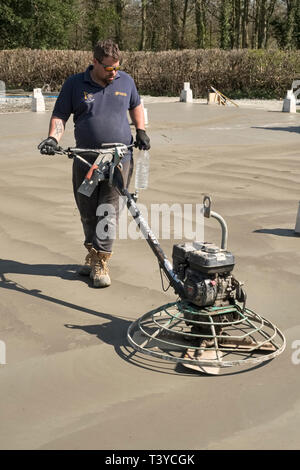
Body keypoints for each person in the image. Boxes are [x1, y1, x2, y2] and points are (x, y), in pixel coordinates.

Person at [38, 39, 150, 288]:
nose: (114, 73)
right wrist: (52, 138)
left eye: (116, 67)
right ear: (94, 61)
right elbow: (60, 115)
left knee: (108, 211)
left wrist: (140, 130)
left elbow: (136, 105)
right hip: (84, 158)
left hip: (119, 159)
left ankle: (101, 261)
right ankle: (93, 252)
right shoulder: (74, 84)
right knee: (88, 212)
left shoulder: (125, 81)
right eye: (108, 68)